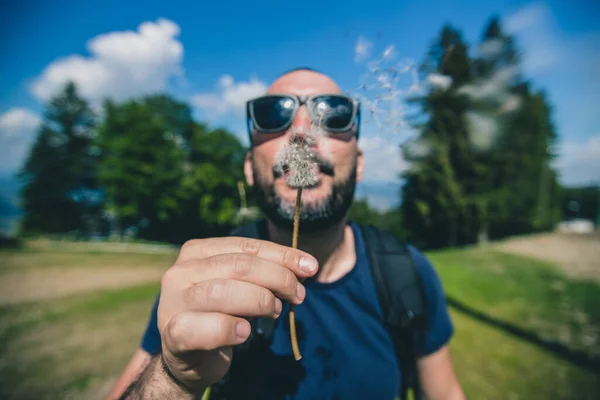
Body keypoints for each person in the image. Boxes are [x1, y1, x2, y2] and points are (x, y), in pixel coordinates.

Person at [108, 68, 466, 400]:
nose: (302, 131)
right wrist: (172, 376)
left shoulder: (408, 275)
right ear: (249, 167)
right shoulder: (209, 277)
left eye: (334, 114)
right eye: (272, 114)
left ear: (359, 164)